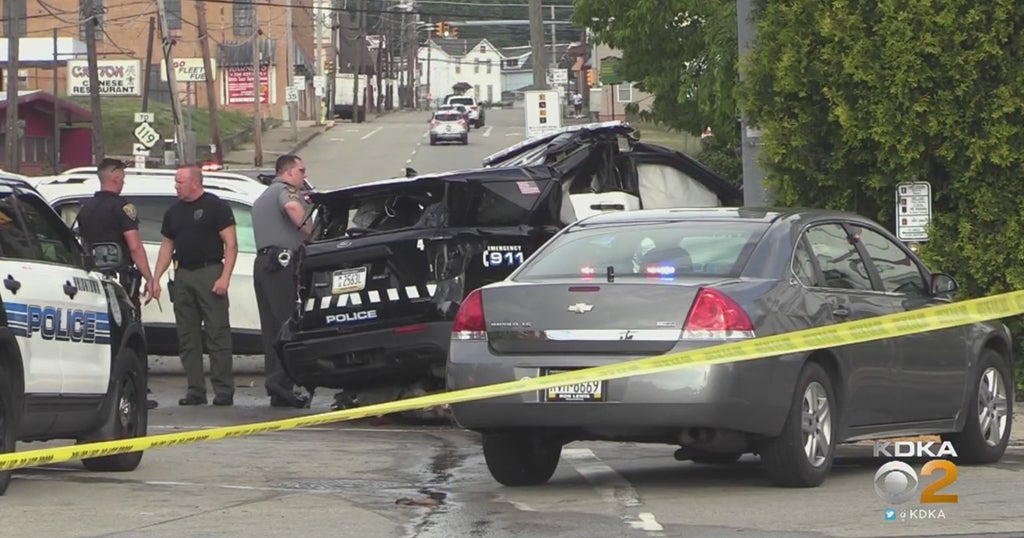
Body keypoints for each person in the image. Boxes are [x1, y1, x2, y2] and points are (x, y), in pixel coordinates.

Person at [151, 165, 238, 407]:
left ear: (195, 183)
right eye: (176, 182)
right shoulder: (173, 213)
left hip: (210, 271)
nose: (176, 186)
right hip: (183, 274)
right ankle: (195, 390)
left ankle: (223, 390)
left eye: (180, 182)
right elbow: (167, 246)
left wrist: (225, 277)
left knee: (217, 332)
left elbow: (231, 244)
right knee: (187, 335)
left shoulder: (216, 206)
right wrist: (156, 278)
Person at [76, 158, 159, 410]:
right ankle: (135, 391)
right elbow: (134, 246)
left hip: (93, 281)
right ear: (114, 178)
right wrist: (150, 278)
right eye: (122, 177)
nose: (123, 182)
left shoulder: (85, 208)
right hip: (121, 282)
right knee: (131, 335)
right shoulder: (123, 208)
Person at [251, 154, 313, 408]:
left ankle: (276, 387)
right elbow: (292, 209)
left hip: (264, 263)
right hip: (281, 264)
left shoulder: (262, 196)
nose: (303, 175)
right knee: (286, 323)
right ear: (287, 172)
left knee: (271, 328)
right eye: (301, 170)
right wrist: (309, 231)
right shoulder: (286, 192)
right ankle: (282, 384)